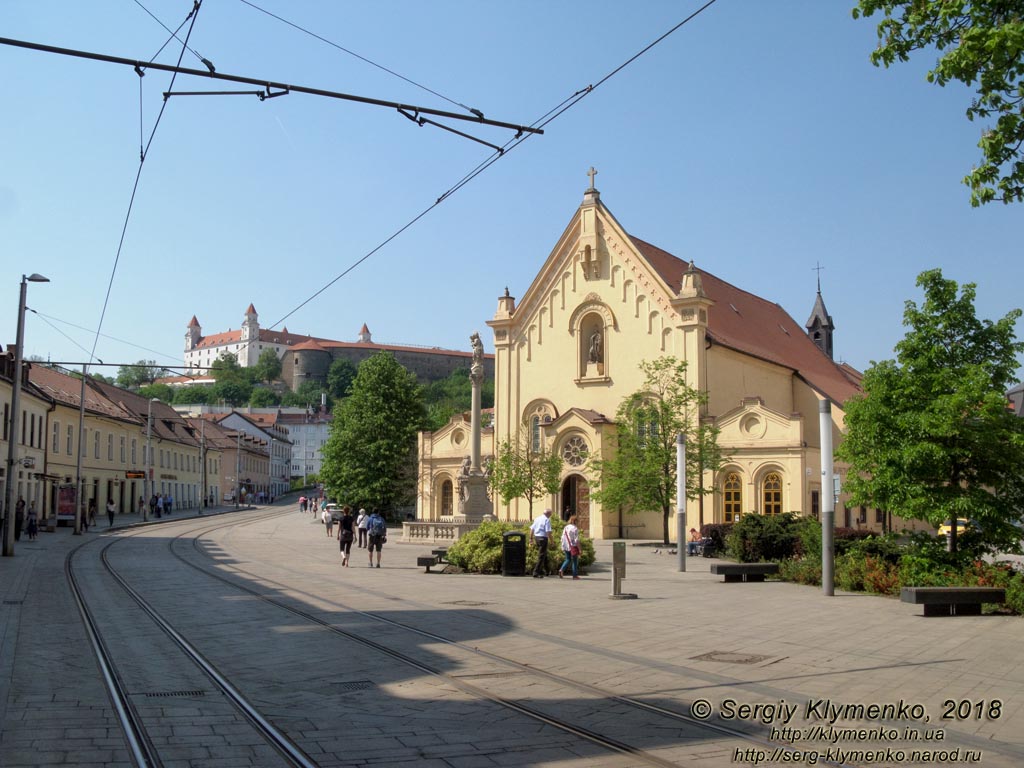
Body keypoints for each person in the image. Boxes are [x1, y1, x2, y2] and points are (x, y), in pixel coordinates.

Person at [530, 508, 553, 578]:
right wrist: (552, 540)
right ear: (548, 514)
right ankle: (536, 572)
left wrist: (530, 539)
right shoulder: (547, 520)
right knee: (541, 556)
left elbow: (532, 529)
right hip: (543, 538)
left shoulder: (537, 519)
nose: (550, 515)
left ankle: (547, 571)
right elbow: (548, 532)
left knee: (544, 555)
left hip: (537, 538)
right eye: (550, 514)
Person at [558, 514, 581, 579]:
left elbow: (562, 537)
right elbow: (576, 540)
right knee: (574, 561)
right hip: (573, 546)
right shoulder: (575, 528)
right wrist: (579, 549)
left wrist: (562, 545)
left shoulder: (566, 527)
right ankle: (574, 575)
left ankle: (561, 569)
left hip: (566, 545)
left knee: (567, 559)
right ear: (575, 521)